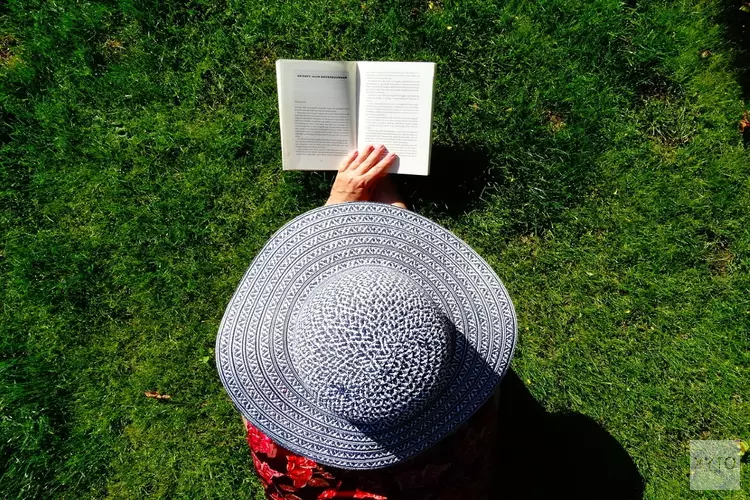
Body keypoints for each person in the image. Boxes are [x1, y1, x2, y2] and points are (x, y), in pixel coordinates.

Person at [215, 145, 518, 500]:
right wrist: (391, 219)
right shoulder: (462, 427)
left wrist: (338, 207)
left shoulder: (284, 450)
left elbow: (252, 397)